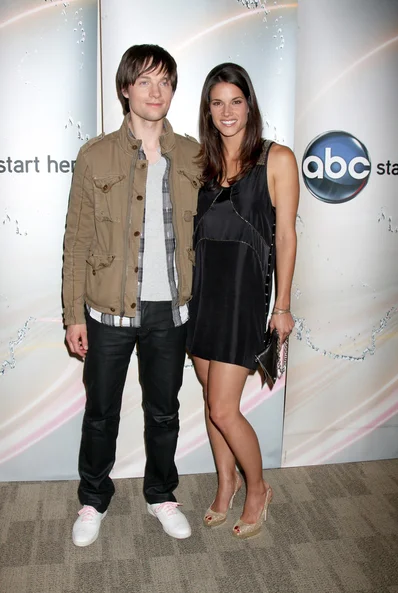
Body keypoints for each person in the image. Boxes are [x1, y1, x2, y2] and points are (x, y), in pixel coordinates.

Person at [62, 44, 200, 546]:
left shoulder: (192, 154)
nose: (155, 91)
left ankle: (162, 494)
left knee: (164, 412)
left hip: (171, 312)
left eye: (164, 81)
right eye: (144, 81)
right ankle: (93, 499)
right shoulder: (94, 155)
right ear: (125, 88)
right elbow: (75, 242)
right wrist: (72, 313)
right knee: (102, 413)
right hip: (107, 312)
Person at [187, 63, 299, 539]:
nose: (226, 111)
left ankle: (258, 489)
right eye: (217, 102)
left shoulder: (277, 159)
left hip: (246, 298)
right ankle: (226, 481)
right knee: (211, 403)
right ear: (207, 110)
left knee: (223, 408)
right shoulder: (202, 164)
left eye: (235, 101)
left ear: (249, 105)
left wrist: (283, 305)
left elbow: (288, 237)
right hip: (203, 295)